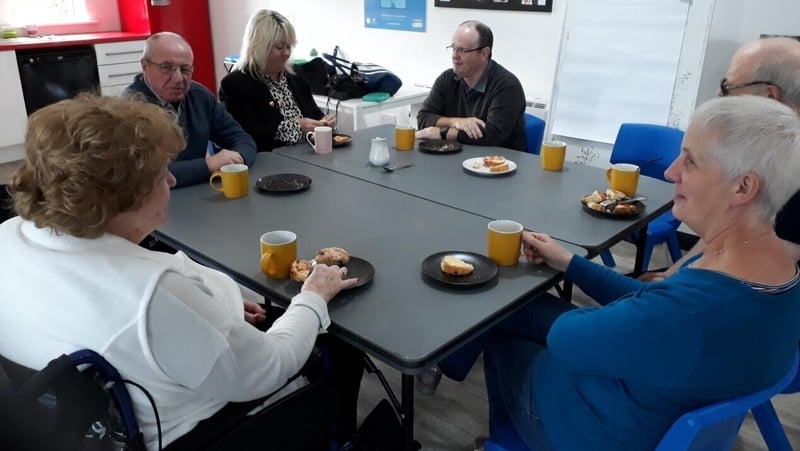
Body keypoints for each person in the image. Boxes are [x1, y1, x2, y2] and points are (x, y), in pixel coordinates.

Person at [0, 95, 364, 450]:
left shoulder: (9, 237)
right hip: (199, 430)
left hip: (82, 423)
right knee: (340, 345)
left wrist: (207, 306)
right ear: (122, 198)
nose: (172, 182)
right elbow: (270, 366)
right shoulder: (153, 299)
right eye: (162, 175)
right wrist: (314, 296)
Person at [436, 96, 800, 449]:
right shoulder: (774, 269)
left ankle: (493, 421)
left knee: (500, 330)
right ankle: (444, 363)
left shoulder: (689, 312)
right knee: (517, 308)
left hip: (596, 430)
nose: (671, 171)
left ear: (743, 187)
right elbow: (650, 302)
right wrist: (568, 262)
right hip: (656, 402)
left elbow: (566, 338)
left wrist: (606, 315)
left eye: (690, 162)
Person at [642, 36, 800, 281]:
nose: (718, 96)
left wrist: (673, 287)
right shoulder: (761, 148)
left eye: (728, 88)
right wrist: (673, 274)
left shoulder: (786, 169)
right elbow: (722, 235)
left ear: (769, 97)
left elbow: (753, 278)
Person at [124, 32, 257, 188]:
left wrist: (237, 161)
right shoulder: (129, 109)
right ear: (145, 66)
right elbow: (142, 174)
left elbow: (242, 139)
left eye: (185, 69)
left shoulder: (200, 96)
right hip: (152, 197)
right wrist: (208, 165)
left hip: (199, 191)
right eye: (166, 68)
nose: (178, 78)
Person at [219, 10, 336, 152]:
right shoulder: (236, 84)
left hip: (307, 156)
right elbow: (249, 135)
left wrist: (324, 122)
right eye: (279, 47)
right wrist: (298, 127)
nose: (287, 53)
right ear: (259, 47)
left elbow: (314, 114)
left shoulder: (296, 78)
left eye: (289, 46)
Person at [416, 20, 527, 152]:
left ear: (483, 54)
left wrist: (443, 133)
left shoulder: (507, 86)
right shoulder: (447, 78)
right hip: (454, 155)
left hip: (498, 159)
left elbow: (491, 135)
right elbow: (423, 118)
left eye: (463, 50)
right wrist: (456, 122)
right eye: (453, 48)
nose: (455, 55)